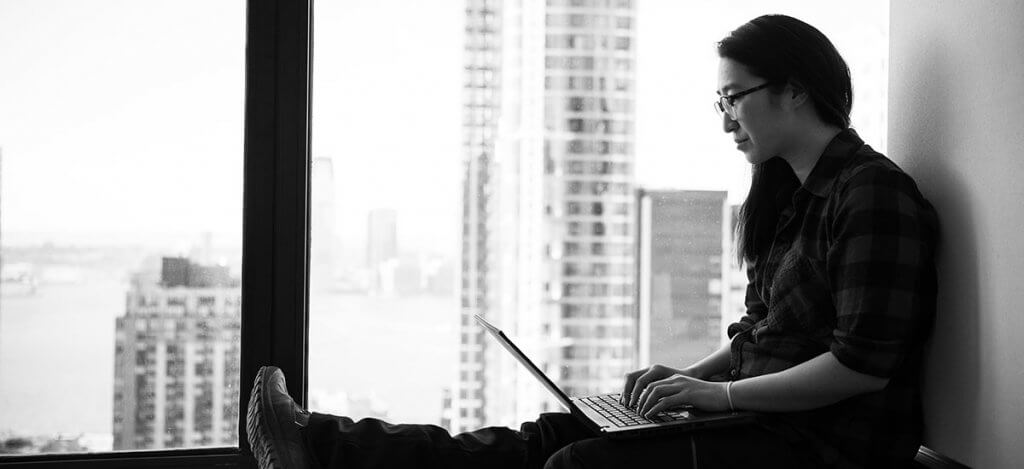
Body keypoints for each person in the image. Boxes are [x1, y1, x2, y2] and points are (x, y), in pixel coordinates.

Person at [247, 14, 938, 469]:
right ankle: (319, 444)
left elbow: (861, 367)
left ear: (793, 90)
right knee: (552, 433)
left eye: (735, 97)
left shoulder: (869, 193)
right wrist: (685, 379)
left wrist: (719, 397)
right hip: (757, 420)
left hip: (819, 446)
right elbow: (759, 333)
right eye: (719, 103)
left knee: (576, 465)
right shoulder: (788, 199)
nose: (725, 117)